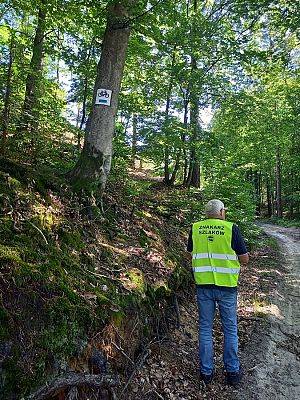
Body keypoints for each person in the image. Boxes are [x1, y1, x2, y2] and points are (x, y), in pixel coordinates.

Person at [187, 199, 249, 387]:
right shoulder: (231, 228)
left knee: (205, 328)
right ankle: (232, 372)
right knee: (230, 329)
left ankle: (206, 373)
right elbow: (244, 259)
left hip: (204, 285)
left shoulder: (195, 228)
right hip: (227, 287)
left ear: (207, 213)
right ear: (222, 212)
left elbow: (190, 252)